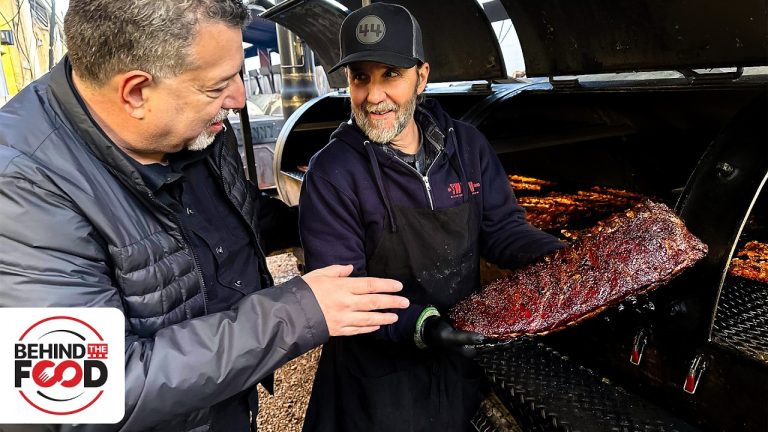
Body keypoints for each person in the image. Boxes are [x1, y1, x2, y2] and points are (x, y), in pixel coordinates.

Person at [0, 1, 410, 431]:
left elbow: (234, 215)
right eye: (218, 86)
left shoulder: (193, 128)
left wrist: (326, 218)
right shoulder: (23, 189)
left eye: (236, 73)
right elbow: (85, 392)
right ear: (136, 91)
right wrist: (294, 313)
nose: (238, 98)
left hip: (223, 405)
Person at [298, 3, 565, 431]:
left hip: (459, 365)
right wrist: (424, 325)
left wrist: (559, 256)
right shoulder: (332, 174)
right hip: (379, 382)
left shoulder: (468, 147)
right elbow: (345, 297)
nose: (373, 95)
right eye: (360, 77)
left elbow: (502, 230)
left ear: (422, 76)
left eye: (391, 74)